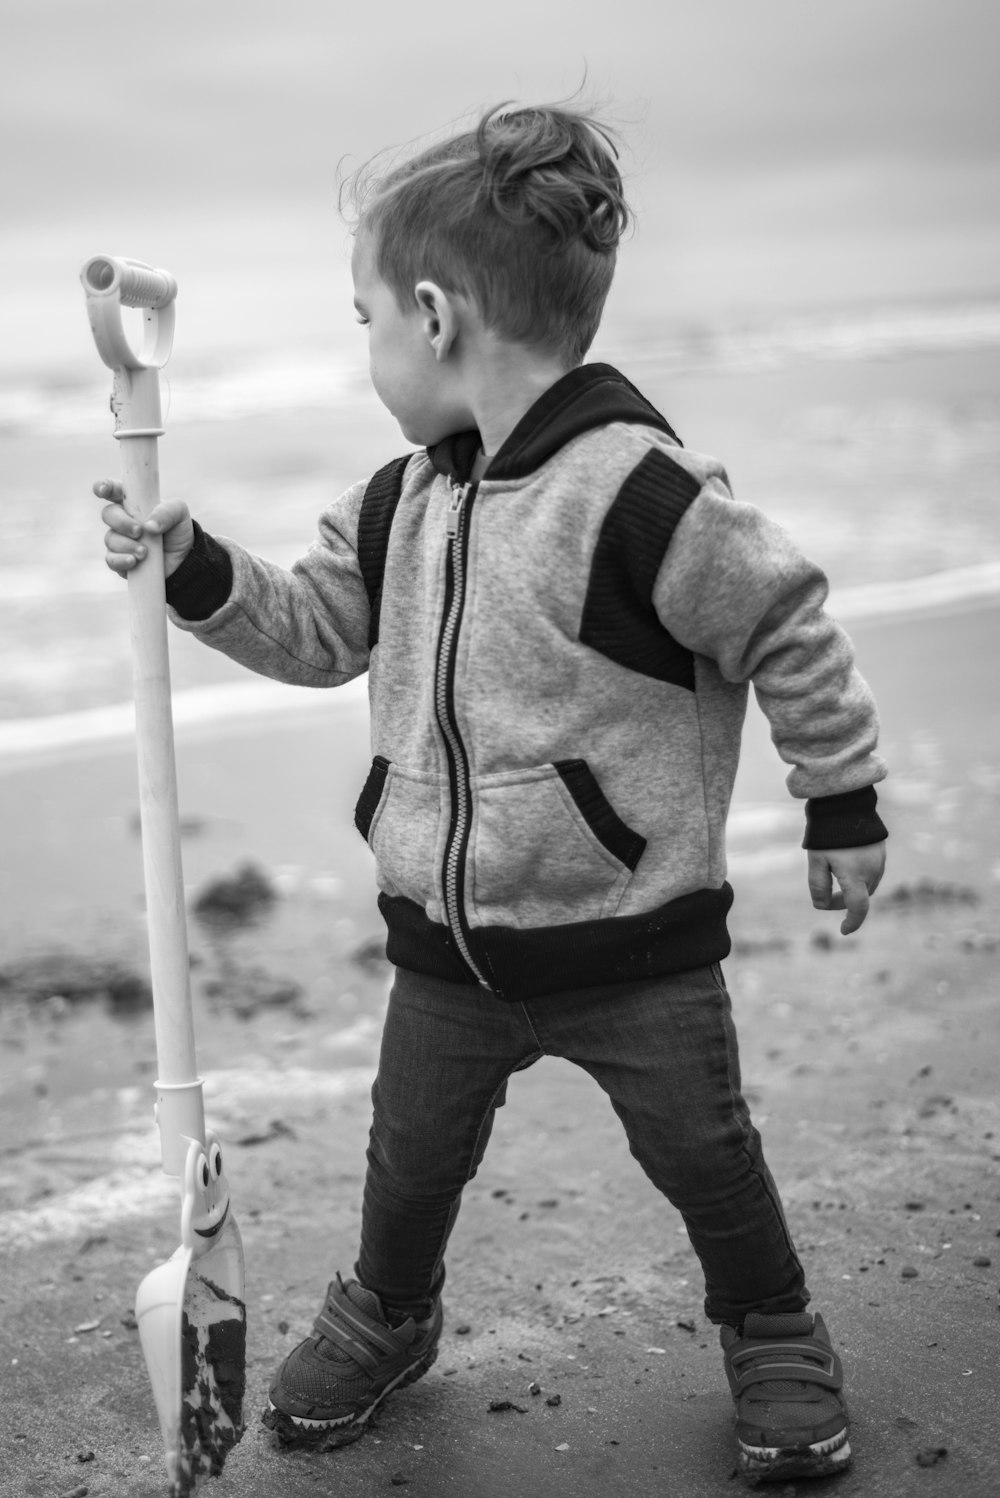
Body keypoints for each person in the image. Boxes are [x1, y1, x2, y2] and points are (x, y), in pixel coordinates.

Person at [98, 102, 887, 1485]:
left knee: (708, 1154)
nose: (366, 354)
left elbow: (784, 620)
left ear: (433, 314)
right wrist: (195, 568)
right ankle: (391, 1310)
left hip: (634, 940)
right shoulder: (400, 504)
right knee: (408, 1162)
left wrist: (843, 800)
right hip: (448, 953)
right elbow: (315, 627)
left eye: (363, 324)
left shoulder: (637, 493)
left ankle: (770, 1322)